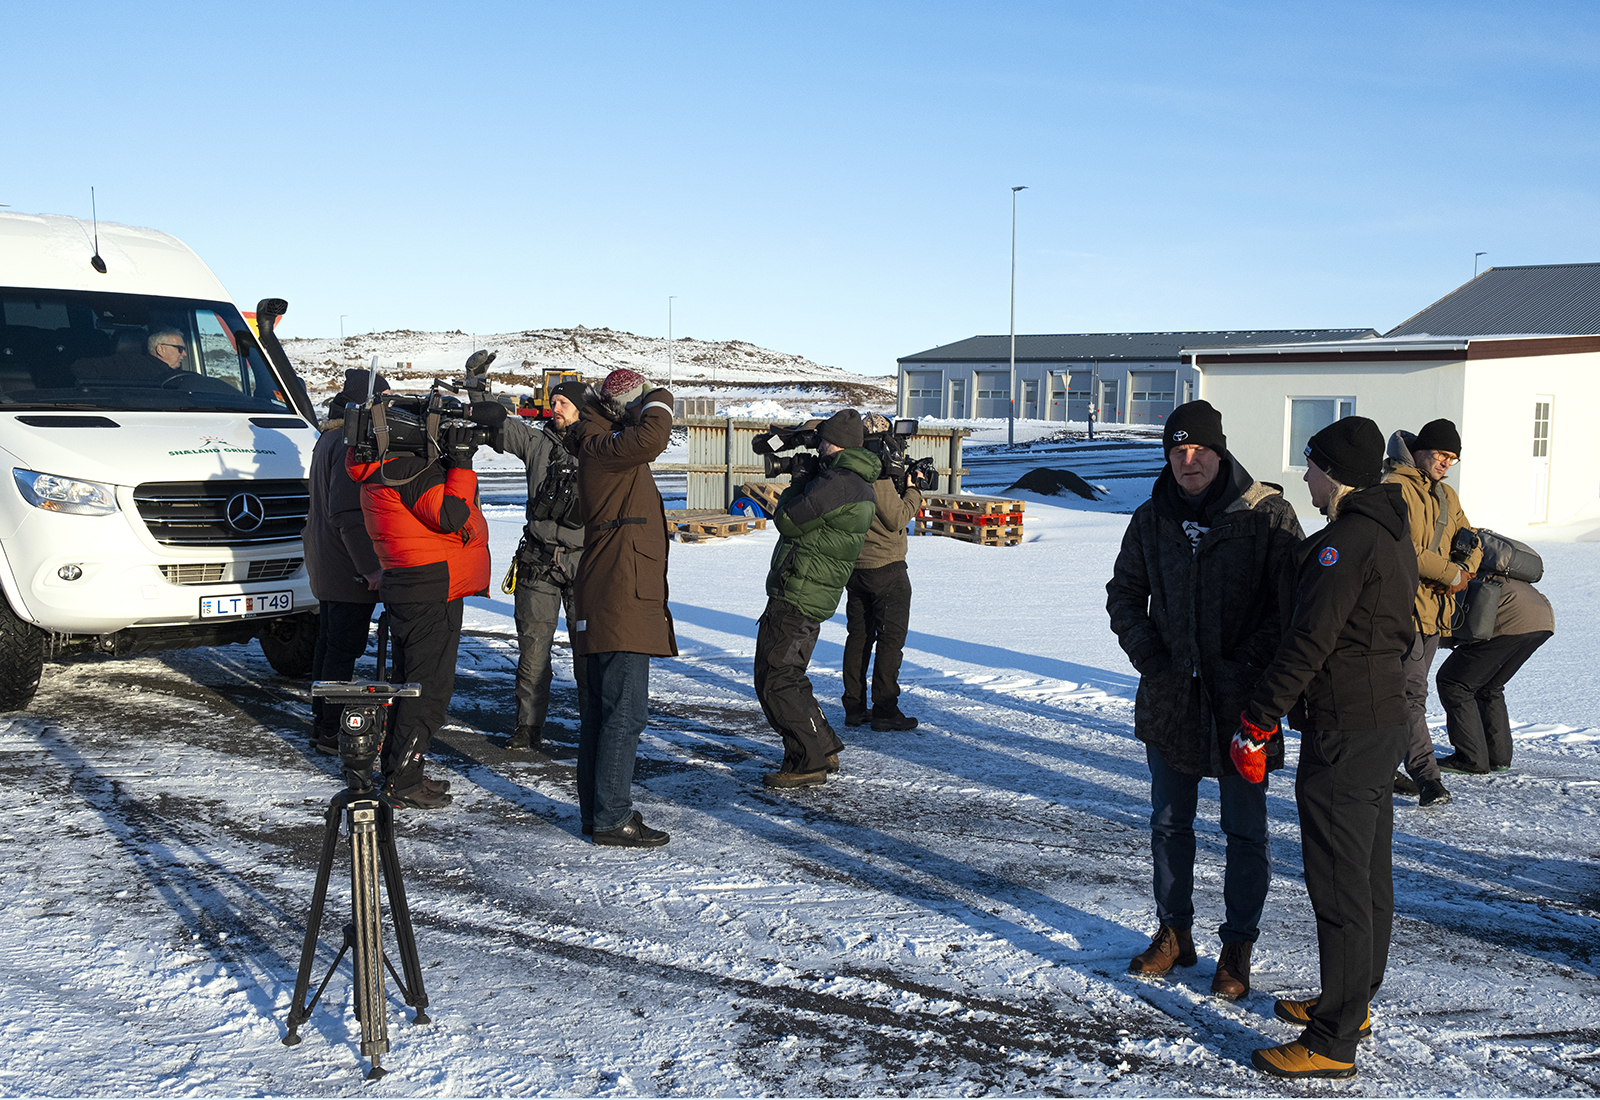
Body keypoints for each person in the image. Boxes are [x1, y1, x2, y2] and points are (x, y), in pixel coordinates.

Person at [1232, 417, 1417, 1081]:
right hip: (1380, 720)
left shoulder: (1347, 541)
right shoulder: (1388, 528)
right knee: (1367, 876)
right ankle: (1352, 1002)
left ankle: (1333, 1042)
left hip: (1348, 727)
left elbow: (1309, 643)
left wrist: (1256, 720)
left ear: (1332, 470)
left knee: (1340, 883)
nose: (1304, 477)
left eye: (1310, 466)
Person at [1106, 400, 1303, 1000]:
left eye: (1200, 449)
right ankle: (1174, 933)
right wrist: (1153, 659)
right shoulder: (1151, 517)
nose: (1188, 461)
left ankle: (1238, 945)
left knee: (1245, 830)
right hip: (1170, 702)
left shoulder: (1267, 516)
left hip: (1245, 705)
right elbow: (1124, 594)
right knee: (1169, 823)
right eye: (1177, 449)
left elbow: (1290, 605)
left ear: (1221, 451)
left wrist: (1247, 666)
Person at [346, 393, 496, 809]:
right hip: (430, 589)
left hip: (414, 585)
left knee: (411, 683)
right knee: (427, 690)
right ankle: (402, 780)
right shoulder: (406, 470)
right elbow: (450, 515)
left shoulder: (380, 468)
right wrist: (461, 465)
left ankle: (403, 771)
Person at [570, 368, 677, 847]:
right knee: (624, 713)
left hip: (609, 592)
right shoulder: (602, 447)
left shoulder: (600, 442)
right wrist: (658, 397)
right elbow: (653, 436)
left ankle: (599, 813)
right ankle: (612, 817)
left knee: (601, 711)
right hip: (620, 596)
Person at [755, 409, 880, 788]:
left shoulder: (838, 482)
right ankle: (822, 745)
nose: (818, 444)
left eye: (822, 438)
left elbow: (789, 519)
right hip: (809, 588)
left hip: (800, 590)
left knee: (776, 679)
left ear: (835, 442)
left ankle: (807, 761)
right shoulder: (851, 479)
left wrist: (799, 480)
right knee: (786, 675)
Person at [1383, 419, 1481, 807]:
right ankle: (1428, 778)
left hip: (1435, 613)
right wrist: (1452, 573)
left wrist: (1466, 569)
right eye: (1441, 454)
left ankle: (1382, 765)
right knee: (1409, 696)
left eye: (1452, 459)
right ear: (1421, 450)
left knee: (1403, 697)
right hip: (1402, 609)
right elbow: (1403, 547)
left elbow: (1471, 538)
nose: (1445, 463)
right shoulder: (1394, 487)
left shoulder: (1447, 495)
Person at [490, 379, 589, 753]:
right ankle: (527, 728)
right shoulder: (537, 443)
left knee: (588, 654)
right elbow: (502, 425)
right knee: (533, 652)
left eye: (564, 403)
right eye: (555, 402)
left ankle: (593, 730)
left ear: (581, 408)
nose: (556, 408)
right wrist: (478, 391)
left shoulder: (598, 447)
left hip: (585, 565)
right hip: (538, 561)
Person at [303, 368, 386, 754]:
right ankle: (332, 730)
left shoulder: (327, 438)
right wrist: (369, 566)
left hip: (325, 560)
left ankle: (321, 723)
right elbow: (347, 513)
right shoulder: (349, 442)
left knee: (328, 644)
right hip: (346, 566)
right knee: (341, 649)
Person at [841, 413, 923, 732]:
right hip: (886, 566)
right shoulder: (876, 473)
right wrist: (915, 490)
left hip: (855, 566)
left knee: (858, 637)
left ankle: (854, 707)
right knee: (890, 641)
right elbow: (897, 517)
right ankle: (885, 710)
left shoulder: (844, 467)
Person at [1436, 577, 1554, 774]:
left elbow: (1456, 607)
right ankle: (1498, 758)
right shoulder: (1498, 571)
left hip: (1509, 619)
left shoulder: (1459, 569)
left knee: (1454, 683)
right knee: (1489, 686)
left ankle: (1470, 760)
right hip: (1541, 619)